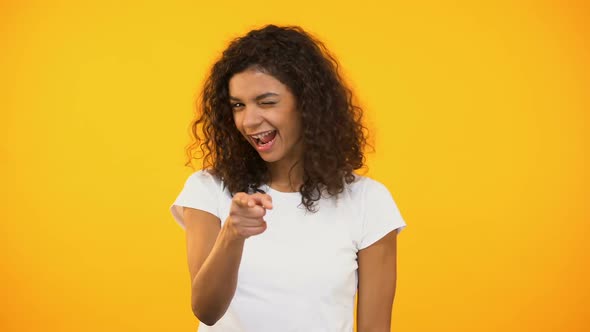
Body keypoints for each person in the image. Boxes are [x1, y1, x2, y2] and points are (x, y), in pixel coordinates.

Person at [170, 24, 407, 331]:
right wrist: (233, 234)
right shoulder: (208, 189)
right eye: (238, 105)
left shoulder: (368, 201)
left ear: (308, 105)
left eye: (267, 102)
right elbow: (206, 309)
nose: (249, 120)